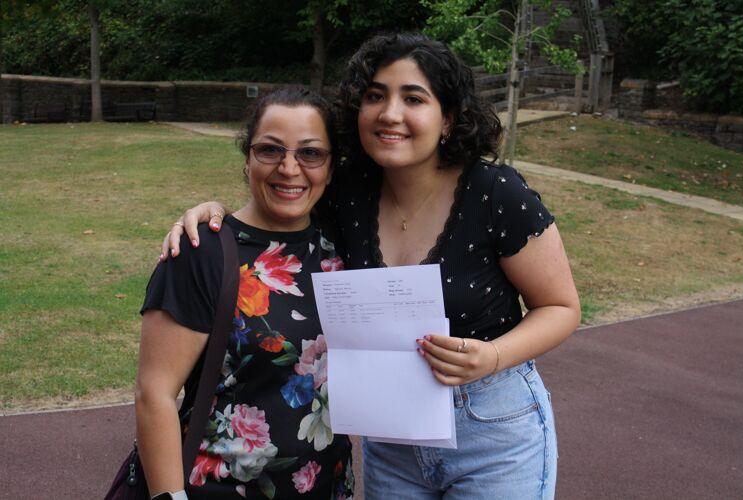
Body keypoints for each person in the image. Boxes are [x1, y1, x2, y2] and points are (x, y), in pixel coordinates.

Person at [163, 32, 580, 499]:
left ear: (449, 119)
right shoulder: (348, 194)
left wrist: (492, 356)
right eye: (375, 96)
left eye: (414, 98)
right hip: (391, 436)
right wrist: (215, 212)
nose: (390, 113)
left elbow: (562, 307)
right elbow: (281, 194)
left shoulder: (496, 193)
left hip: (491, 429)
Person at [137, 86, 354, 500]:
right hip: (218, 489)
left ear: (330, 165)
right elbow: (154, 393)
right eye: (270, 150)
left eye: (310, 153)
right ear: (248, 157)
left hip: (328, 488)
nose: (289, 168)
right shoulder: (201, 252)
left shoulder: (342, 247)